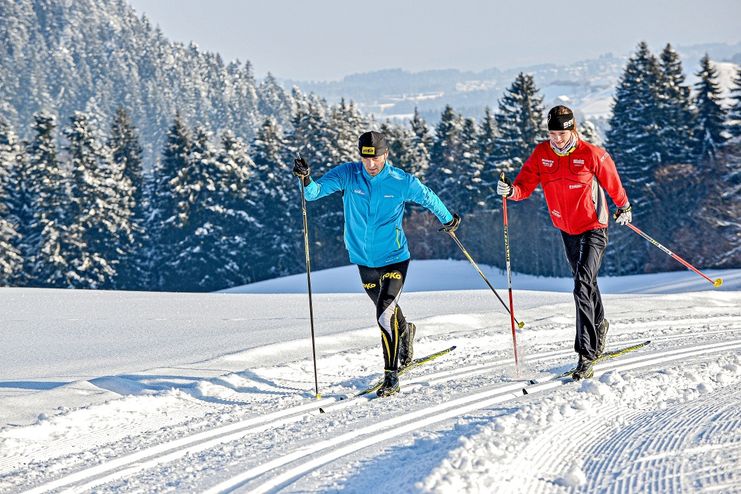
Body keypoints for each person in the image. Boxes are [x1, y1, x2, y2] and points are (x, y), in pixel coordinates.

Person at [293, 131, 460, 397]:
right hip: (362, 258)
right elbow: (313, 194)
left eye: (376, 158)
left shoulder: (400, 180)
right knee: (387, 309)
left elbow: (427, 196)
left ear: (386, 154)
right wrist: (305, 178)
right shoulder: (348, 174)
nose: (371, 164)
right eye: (365, 158)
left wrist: (449, 219)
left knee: (383, 312)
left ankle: (390, 376)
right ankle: (406, 332)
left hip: (394, 257)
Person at [497, 105, 632, 380]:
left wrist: (624, 207)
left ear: (573, 129)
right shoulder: (541, 155)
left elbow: (612, 182)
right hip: (566, 228)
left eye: (562, 133)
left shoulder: (591, 154)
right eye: (552, 133)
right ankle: (599, 323)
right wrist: (510, 191)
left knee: (581, 284)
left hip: (594, 225)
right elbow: (524, 187)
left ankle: (586, 352)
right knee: (587, 282)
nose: (556, 139)